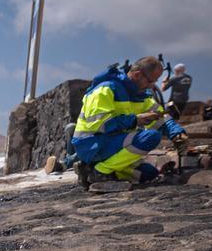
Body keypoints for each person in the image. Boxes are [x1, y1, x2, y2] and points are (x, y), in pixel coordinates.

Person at [72, 56, 186, 188]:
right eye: (151, 81)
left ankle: (89, 169)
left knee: (149, 174)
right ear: (137, 75)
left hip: (112, 144)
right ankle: (100, 172)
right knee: (151, 137)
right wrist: (135, 120)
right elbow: (99, 124)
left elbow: (161, 119)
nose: (152, 86)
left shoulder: (142, 96)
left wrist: (176, 133)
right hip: (91, 144)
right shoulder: (105, 89)